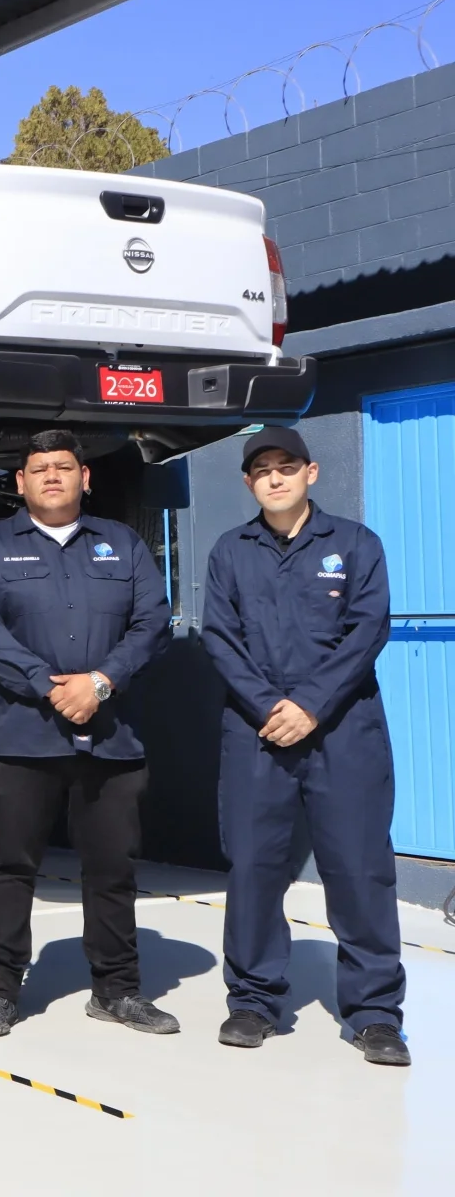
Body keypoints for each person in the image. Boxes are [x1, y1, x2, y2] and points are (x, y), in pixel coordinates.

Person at [0, 430, 177, 1037]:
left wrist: (101, 682)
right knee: (8, 867)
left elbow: (152, 622)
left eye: (63, 467)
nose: (52, 476)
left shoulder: (123, 545)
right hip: (17, 737)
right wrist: (48, 684)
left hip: (110, 737)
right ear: (20, 482)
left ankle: (117, 990)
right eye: (38, 468)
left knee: (112, 868)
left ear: (86, 478)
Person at [199, 428, 409, 1065]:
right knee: (255, 867)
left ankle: (374, 1014)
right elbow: (220, 638)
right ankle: (253, 1000)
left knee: (359, 868)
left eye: (286, 467)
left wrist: (311, 704)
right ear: (248, 484)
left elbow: (366, 630)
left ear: (311, 473)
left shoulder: (354, 545)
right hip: (259, 732)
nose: (275, 478)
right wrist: (272, 708)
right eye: (261, 470)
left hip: (344, 728)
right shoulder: (229, 553)